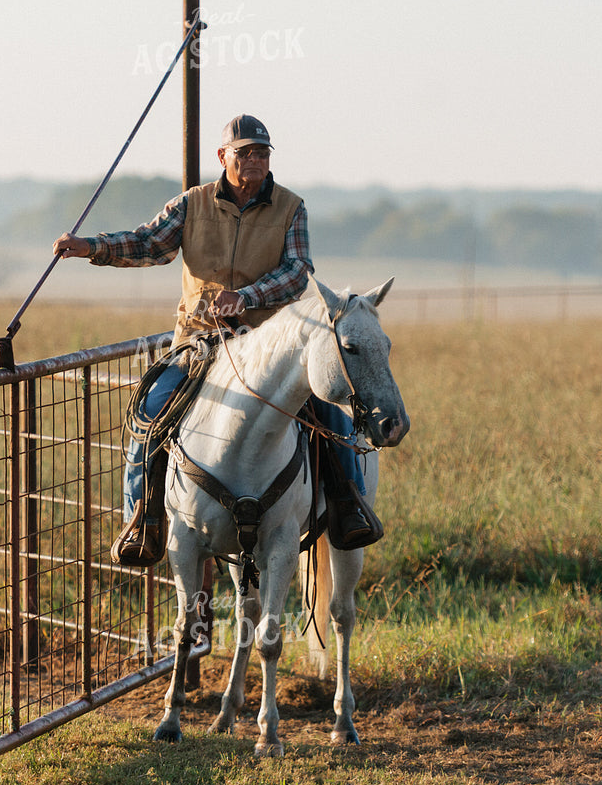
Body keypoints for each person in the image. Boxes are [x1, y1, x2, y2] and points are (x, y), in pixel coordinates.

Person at [53, 114, 381, 567]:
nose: (254, 160)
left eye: (262, 152)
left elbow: (297, 272)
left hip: (269, 343)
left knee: (330, 414)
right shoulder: (191, 204)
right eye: (244, 152)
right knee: (149, 414)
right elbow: (150, 244)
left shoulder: (291, 207)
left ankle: (350, 507)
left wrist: (244, 298)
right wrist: (93, 247)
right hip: (199, 343)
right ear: (222, 157)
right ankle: (141, 522)